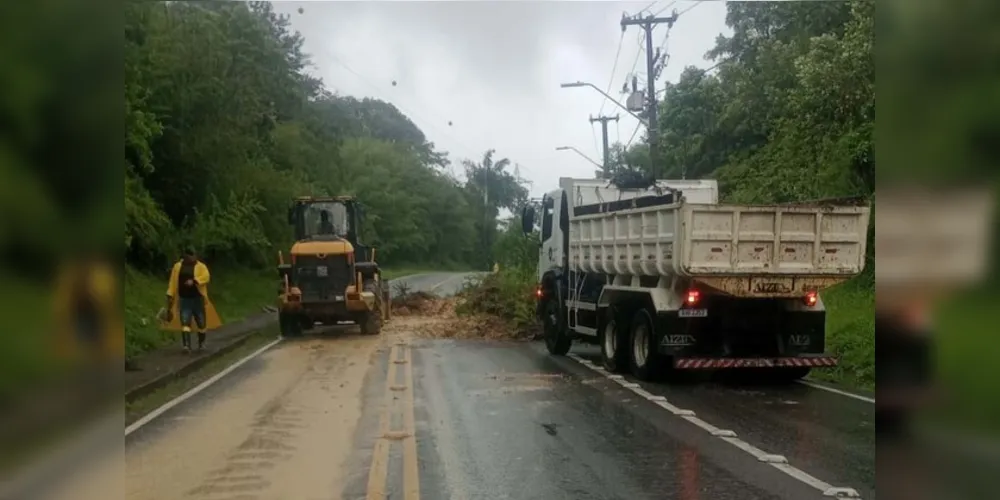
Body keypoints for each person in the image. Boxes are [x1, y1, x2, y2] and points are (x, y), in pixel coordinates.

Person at [164, 248, 222, 352]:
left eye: (193, 255)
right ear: (185, 256)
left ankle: (201, 343)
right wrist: (170, 294)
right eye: (189, 255)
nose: (192, 257)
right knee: (185, 321)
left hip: (197, 298)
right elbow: (173, 281)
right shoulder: (178, 267)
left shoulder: (201, 266)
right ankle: (186, 345)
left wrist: (195, 281)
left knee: (201, 322)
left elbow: (206, 277)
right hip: (184, 298)